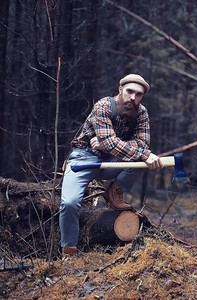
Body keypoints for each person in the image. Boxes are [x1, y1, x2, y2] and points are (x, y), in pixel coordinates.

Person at [59, 74, 163, 256]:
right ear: (120, 89)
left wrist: (110, 143)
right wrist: (112, 143)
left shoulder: (142, 113)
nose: (133, 97)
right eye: (130, 91)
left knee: (140, 160)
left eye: (138, 94)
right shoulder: (103, 106)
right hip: (83, 159)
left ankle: (114, 191)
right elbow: (114, 144)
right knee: (69, 203)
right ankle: (69, 250)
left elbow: (142, 144)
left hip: (113, 161)